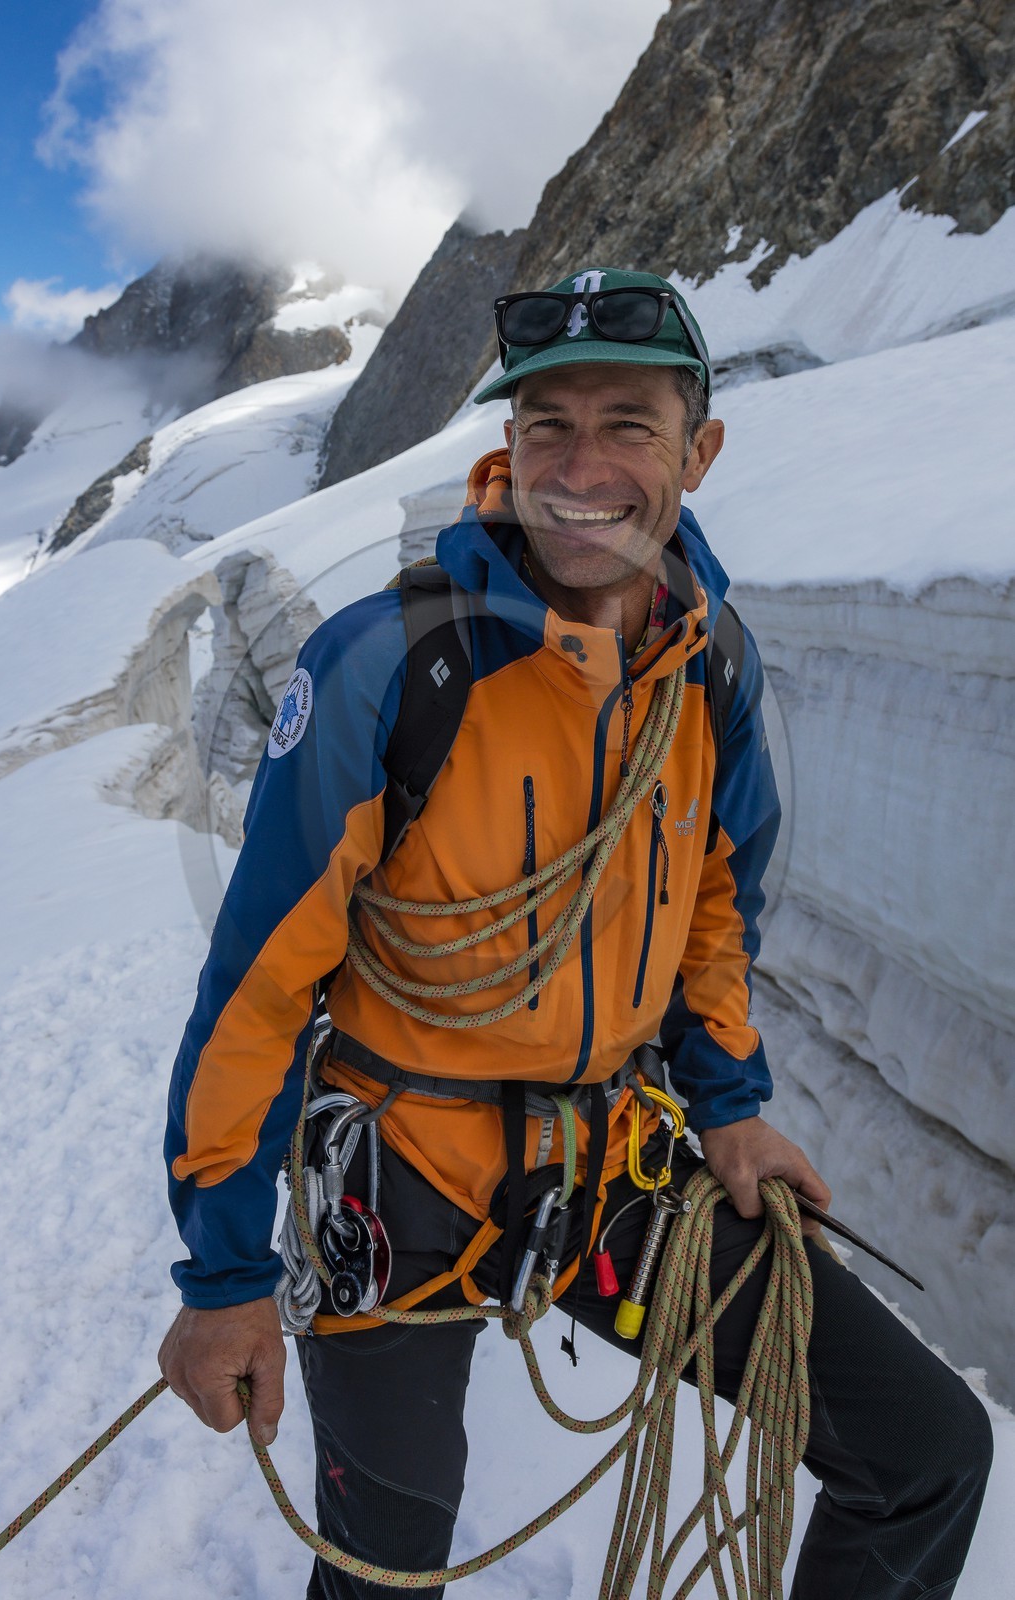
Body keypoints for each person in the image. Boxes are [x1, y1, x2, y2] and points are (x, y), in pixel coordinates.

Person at [160, 268, 992, 1598]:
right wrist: (220, 1275)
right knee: (384, 1564)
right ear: (507, 448)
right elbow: (257, 988)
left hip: (605, 1162)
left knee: (923, 1450)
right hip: (402, 1179)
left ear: (696, 452)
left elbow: (716, 899)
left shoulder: (708, 664)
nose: (581, 464)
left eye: (628, 424)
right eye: (548, 425)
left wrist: (726, 1104)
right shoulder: (391, 664)